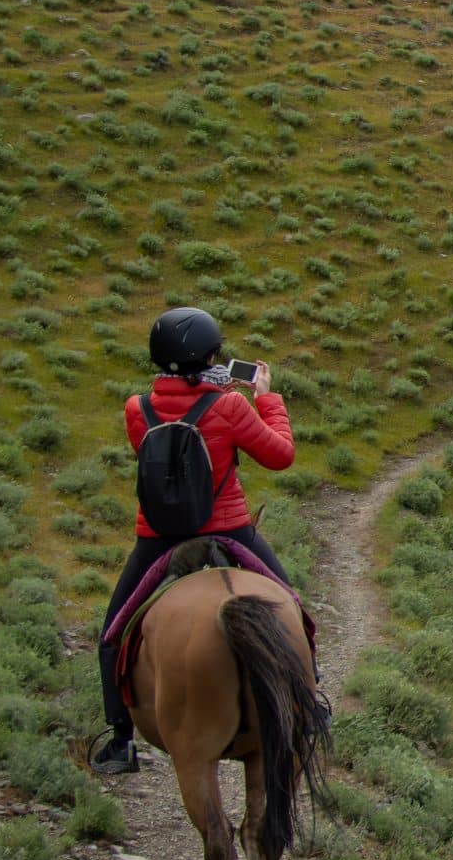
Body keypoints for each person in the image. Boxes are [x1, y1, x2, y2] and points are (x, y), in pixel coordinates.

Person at [90, 307, 300, 775]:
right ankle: (311, 700)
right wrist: (266, 398)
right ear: (209, 357)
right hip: (229, 529)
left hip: (159, 537)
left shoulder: (137, 409)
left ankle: (121, 740)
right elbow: (281, 455)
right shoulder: (230, 406)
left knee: (112, 633)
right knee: (294, 610)